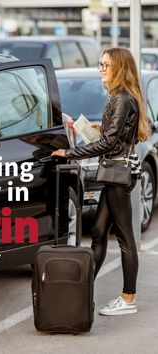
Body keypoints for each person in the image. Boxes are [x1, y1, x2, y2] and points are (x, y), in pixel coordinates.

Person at [51, 47, 151, 316]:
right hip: (113, 173)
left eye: (105, 65)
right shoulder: (118, 97)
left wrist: (69, 152)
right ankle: (84, 289)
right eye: (100, 64)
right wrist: (90, 129)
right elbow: (114, 136)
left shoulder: (123, 99)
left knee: (126, 239)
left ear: (118, 68)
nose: (101, 69)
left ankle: (128, 299)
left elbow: (109, 143)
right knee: (97, 230)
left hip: (118, 175)